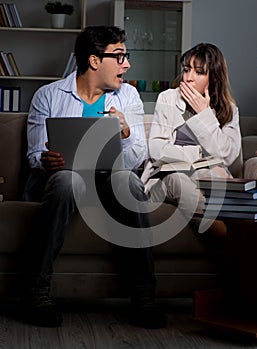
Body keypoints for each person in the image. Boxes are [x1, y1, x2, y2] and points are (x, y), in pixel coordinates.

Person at [21, 25, 166, 329]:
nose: (127, 64)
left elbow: (138, 156)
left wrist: (124, 133)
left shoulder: (129, 96)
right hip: (64, 179)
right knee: (67, 180)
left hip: (110, 181)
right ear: (95, 60)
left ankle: (144, 297)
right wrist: (46, 159)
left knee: (129, 181)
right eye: (120, 56)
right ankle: (37, 294)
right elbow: (34, 153)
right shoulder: (48, 95)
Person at [142, 43, 241, 233]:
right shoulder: (168, 98)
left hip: (209, 180)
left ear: (214, 77)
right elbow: (156, 149)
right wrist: (203, 158)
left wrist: (203, 114)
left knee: (221, 186)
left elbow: (227, 155)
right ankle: (222, 237)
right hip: (167, 179)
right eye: (186, 70)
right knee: (179, 180)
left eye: (199, 72)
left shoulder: (229, 108)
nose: (188, 77)